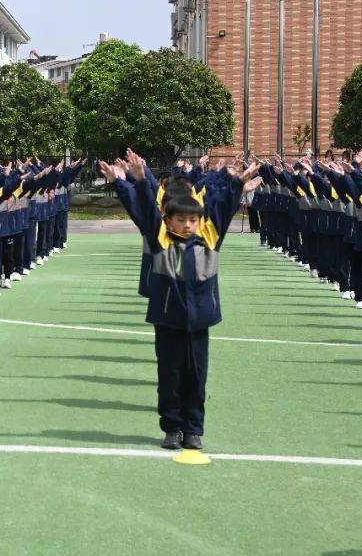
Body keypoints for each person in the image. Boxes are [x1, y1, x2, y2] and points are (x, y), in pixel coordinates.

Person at [102, 150, 258, 450]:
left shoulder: (210, 237)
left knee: (196, 377)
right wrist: (134, 180)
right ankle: (172, 427)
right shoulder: (160, 238)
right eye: (181, 220)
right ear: (168, 220)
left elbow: (223, 208)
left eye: (192, 220)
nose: (187, 225)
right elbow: (143, 208)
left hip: (200, 321)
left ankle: (193, 429)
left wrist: (237, 183)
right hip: (168, 319)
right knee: (169, 376)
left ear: (200, 221)